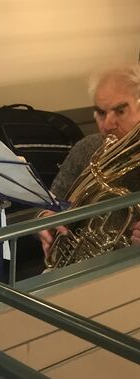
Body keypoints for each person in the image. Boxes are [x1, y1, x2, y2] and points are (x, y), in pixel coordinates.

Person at [38, 64, 140, 257]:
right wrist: (46, 220)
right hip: (77, 267)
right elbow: (50, 202)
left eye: (120, 111)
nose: (107, 124)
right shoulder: (87, 148)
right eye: (101, 113)